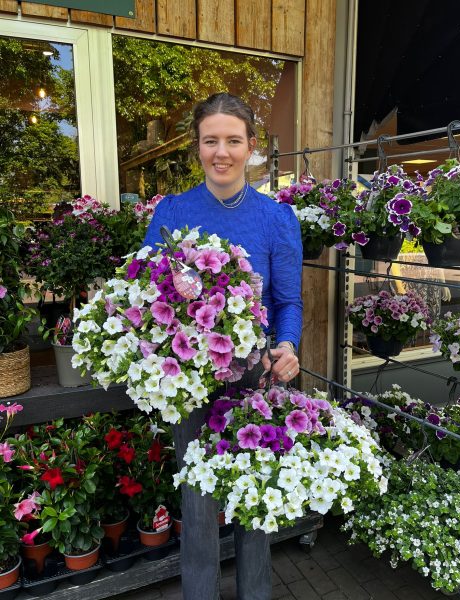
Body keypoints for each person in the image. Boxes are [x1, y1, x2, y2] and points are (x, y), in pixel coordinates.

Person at [143, 92, 303, 600]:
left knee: (253, 499)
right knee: (197, 499)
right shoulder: (171, 212)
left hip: (255, 380)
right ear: (198, 147)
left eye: (233, 140)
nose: (222, 152)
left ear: (251, 146)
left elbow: (287, 301)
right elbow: (146, 297)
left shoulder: (277, 219)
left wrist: (287, 344)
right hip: (187, 382)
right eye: (211, 140)